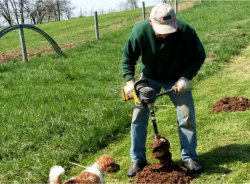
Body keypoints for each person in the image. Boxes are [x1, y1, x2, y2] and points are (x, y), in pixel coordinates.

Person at [121, 3, 206, 177]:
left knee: (187, 115)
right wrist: (130, 81)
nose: (164, 33)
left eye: (168, 29)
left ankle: (189, 157)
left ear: (174, 22)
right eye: (160, 29)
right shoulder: (140, 31)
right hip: (149, 78)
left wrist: (186, 77)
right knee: (138, 116)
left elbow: (199, 56)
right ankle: (138, 159)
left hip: (177, 78)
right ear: (151, 23)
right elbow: (127, 57)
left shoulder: (185, 31)